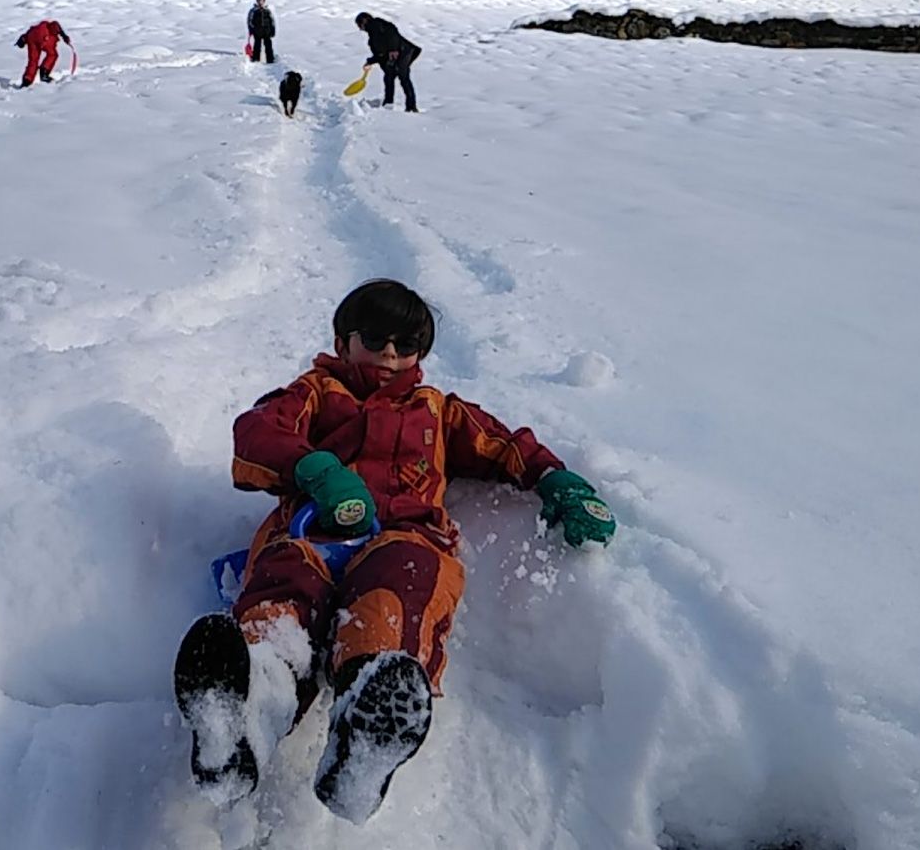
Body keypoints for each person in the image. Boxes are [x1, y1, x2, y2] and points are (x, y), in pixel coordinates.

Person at [174, 279, 616, 823]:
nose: (389, 355)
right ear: (342, 342)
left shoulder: (437, 411)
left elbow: (503, 446)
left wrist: (556, 479)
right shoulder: (314, 393)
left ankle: (366, 722)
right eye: (375, 340)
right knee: (285, 585)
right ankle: (248, 706)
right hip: (314, 530)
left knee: (404, 586)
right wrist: (317, 468)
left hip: (404, 534)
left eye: (405, 346)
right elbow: (256, 435)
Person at [355, 12, 421, 112]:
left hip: (403, 52)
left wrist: (393, 49)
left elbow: (392, 31)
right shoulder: (372, 38)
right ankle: (388, 105)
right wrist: (370, 61)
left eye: (359, 25)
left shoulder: (378, 24)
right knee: (389, 78)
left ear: (364, 21)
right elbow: (380, 54)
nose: (360, 28)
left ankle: (411, 107)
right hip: (395, 56)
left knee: (403, 78)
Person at [15, 19, 71, 87]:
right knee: (53, 55)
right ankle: (44, 73)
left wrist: (24, 38)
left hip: (31, 38)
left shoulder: (42, 26)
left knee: (33, 61)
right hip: (42, 38)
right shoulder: (50, 35)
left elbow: (31, 32)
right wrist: (64, 36)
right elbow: (55, 26)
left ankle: (27, 81)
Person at [246, 0, 276, 64]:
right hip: (257, 32)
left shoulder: (267, 10)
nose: (260, 1)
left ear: (264, 1)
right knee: (257, 46)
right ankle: (256, 59)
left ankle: (270, 59)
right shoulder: (253, 10)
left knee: (268, 46)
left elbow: (272, 21)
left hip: (267, 32)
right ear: (257, 0)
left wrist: (273, 30)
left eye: (261, 0)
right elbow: (249, 21)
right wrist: (252, 30)